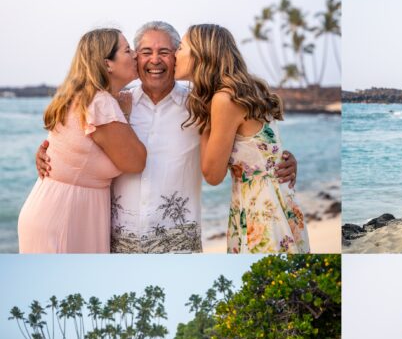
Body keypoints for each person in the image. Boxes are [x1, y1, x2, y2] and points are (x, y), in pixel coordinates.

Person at [35, 21, 297, 252]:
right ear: (135, 58)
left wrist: (281, 161)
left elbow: (249, 138)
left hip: (179, 243)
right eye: (145, 52)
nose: (155, 60)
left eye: (165, 52)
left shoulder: (201, 107)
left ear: (176, 58)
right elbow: (77, 144)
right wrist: (49, 155)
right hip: (116, 242)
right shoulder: (115, 106)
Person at [174, 24, 309, 254]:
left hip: (261, 209)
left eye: (180, 47)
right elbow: (266, 150)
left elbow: (213, 175)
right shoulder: (247, 89)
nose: (175, 54)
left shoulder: (224, 99)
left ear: (201, 54)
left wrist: (204, 120)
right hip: (278, 200)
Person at [19, 29, 147, 253]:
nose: (136, 54)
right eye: (128, 50)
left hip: (61, 212)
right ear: (107, 64)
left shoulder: (84, 96)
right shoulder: (100, 103)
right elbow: (136, 162)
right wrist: (125, 115)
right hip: (64, 218)